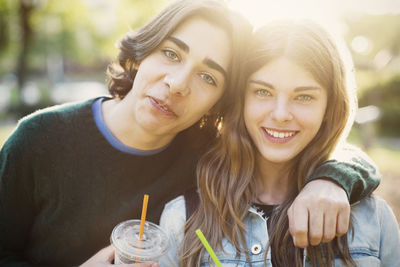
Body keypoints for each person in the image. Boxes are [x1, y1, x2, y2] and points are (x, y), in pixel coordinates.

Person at [0, 0, 379, 265]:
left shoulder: (207, 154)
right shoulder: (38, 140)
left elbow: (315, 142)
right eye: (171, 53)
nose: (178, 84)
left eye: (207, 76)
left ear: (219, 103)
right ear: (142, 51)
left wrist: (331, 180)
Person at [160, 20, 400, 266]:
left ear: (329, 107)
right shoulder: (181, 218)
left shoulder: (374, 220)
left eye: (304, 96)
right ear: (241, 99)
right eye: (263, 92)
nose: (280, 114)